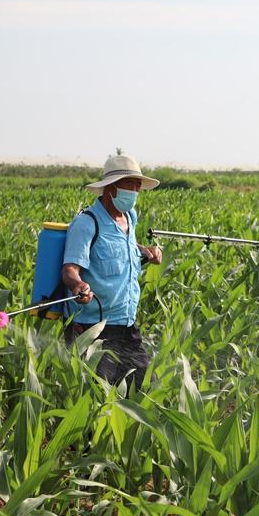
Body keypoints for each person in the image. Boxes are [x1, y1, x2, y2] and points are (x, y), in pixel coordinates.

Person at [61, 152, 163, 390]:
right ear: (110, 187)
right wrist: (78, 286)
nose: (134, 192)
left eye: (137, 186)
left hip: (126, 324)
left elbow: (124, 245)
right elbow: (70, 269)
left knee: (145, 390)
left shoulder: (129, 217)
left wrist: (146, 251)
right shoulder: (86, 223)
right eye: (129, 185)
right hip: (92, 328)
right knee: (99, 396)